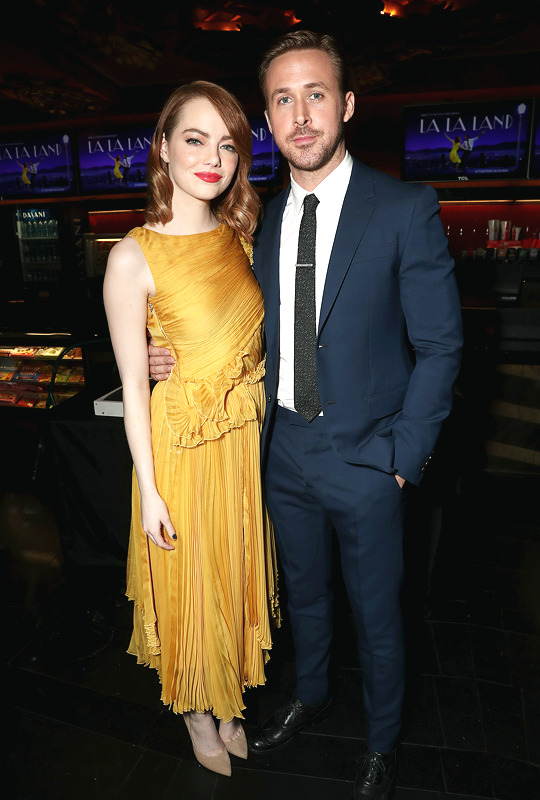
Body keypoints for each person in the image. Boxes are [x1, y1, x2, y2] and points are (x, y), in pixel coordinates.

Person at [149, 31, 463, 800]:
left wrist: (400, 457)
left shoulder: (404, 207)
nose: (301, 114)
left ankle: (383, 742)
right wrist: (171, 358)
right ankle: (311, 696)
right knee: (304, 596)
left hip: (367, 457)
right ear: (267, 115)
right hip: (279, 451)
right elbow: (221, 323)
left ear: (347, 105)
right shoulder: (249, 221)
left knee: (380, 614)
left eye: (315, 93)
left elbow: (443, 347)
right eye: (283, 99)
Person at [103, 80, 279, 778]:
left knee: (231, 574)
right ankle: (200, 713)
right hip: (179, 446)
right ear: (163, 149)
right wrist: (149, 491)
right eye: (196, 139)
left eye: (229, 143)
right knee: (193, 581)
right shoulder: (131, 256)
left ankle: (228, 696)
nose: (214, 157)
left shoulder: (240, 234)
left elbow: (252, 341)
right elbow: (135, 392)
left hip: (239, 441)